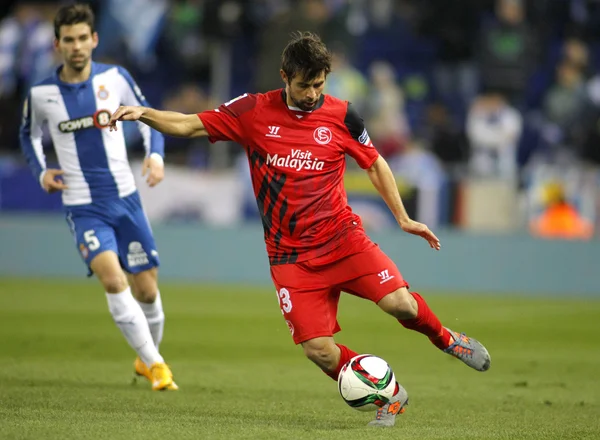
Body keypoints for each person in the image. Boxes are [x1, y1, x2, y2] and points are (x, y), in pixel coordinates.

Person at [109, 31, 491, 425]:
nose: (312, 94)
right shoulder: (253, 111)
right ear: (284, 77)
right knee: (318, 350)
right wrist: (144, 113)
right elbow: (189, 125)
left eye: (319, 84)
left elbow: (374, 163)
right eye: (304, 85)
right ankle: (388, 395)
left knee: (401, 304)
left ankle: (447, 340)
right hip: (291, 258)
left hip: (343, 239)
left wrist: (403, 217)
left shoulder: (343, 115)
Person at [19, 4, 177, 391]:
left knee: (148, 289)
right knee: (112, 279)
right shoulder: (41, 94)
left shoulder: (116, 78)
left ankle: (146, 358)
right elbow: (28, 135)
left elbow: (148, 117)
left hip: (125, 200)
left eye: (82, 38)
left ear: (94, 39)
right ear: (58, 44)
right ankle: (158, 367)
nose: (76, 46)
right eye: (68, 40)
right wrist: (41, 171)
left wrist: (155, 157)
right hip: (82, 206)